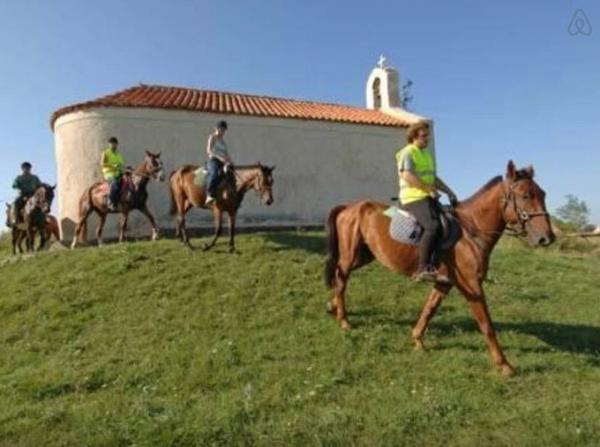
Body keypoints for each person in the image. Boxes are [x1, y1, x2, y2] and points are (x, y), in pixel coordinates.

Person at [396, 121, 458, 282]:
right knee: (432, 226)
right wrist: (428, 189)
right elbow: (407, 175)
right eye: (424, 136)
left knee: (447, 222)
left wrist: (449, 191)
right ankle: (422, 269)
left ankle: (435, 266)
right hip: (412, 197)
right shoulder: (408, 152)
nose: (427, 139)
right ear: (414, 137)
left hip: (426, 196)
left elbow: (433, 178)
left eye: (427, 136)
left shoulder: (426, 155)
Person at [205, 120, 233, 205]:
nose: (223, 132)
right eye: (222, 129)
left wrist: (230, 161)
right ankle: (209, 195)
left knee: (231, 174)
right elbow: (209, 151)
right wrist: (219, 157)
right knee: (214, 174)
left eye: (224, 130)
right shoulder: (212, 137)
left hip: (222, 162)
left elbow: (226, 154)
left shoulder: (223, 142)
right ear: (216, 128)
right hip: (213, 160)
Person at [10, 162, 42, 226]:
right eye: (25, 168)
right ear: (22, 169)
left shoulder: (35, 177)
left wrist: (39, 192)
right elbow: (14, 186)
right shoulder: (19, 178)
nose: (27, 169)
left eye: (28, 168)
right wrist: (19, 190)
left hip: (33, 195)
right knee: (15, 203)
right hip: (23, 195)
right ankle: (15, 219)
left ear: (30, 169)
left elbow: (40, 186)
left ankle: (45, 218)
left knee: (43, 202)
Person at [101, 136, 125, 210]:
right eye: (111, 143)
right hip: (109, 173)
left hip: (118, 172)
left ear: (117, 144)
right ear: (109, 144)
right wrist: (113, 165)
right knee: (115, 184)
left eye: (114, 143)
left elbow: (121, 164)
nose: (112, 145)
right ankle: (110, 202)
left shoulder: (118, 154)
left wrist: (127, 168)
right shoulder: (106, 153)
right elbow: (102, 164)